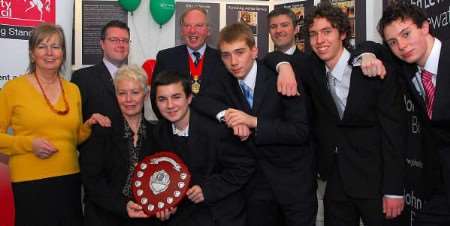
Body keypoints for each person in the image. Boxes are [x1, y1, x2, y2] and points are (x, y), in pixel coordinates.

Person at [264, 3, 406, 226]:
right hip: (336, 181)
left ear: (342, 33)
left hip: (376, 182)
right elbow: (269, 59)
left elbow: (393, 133)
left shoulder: (371, 68)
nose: (320, 41)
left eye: (327, 31)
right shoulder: (311, 68)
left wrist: (394, 190)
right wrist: (284, 66)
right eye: (313, 34)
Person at [194, 23, 317, 226]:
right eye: (226, 55)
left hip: (293, 183)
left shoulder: (282, 77)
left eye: (239, 52)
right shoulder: (224, 81)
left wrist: (253, 122)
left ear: (254, 51)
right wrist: (229, 116)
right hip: (255, 188)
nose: (233, 62)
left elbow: (299, 131)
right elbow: (201, 101)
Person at [0, 23, 109, 226]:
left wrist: (89, 125)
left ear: (63, 53)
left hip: (69, 179)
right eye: (42, 46)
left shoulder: (73, 89)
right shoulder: (13, 89)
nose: (50, 53)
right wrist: (29, 145)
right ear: (32, 54)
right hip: (29, 181)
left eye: (56, 46)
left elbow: (73, 138)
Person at [352, 3, 450, 225]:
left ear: (425, 27)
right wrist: (368, 54)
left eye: (406, 34)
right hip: (440, 186)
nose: (402, 46)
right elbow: (368, 46)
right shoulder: (406, 66)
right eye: (393, 42)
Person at [149, 70, 255, 226]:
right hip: (184, 215)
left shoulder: (216, 129)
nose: (170, 105)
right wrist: (165, 204)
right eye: (162, 99)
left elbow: (244, 166)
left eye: (176, 97)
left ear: (189, 98)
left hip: (220, 214)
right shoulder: (159, 132)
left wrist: (208, 190)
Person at [79, 65, 160, 226]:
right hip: (104, 218)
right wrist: (123, 206)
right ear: (116, 95)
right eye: (122, 93)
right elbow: (91, 181)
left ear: (146, 94)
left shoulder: (157, 135)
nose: (128, 99)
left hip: (145, 219)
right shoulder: (101, 131)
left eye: (135, 92)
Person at [152, 7, 221, 96]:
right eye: (187, 26)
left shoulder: (221, 59)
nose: (192, 30)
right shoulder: (165, 58)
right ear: (181, 31)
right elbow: (155, 95)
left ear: (208, 31)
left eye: (198, 25)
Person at [71, 20, 130, 123]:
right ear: (102, 44)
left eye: (125, 40)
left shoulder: (135, 79)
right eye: (114, 40)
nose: (121, 44)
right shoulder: (82, 78)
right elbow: (74, 121)